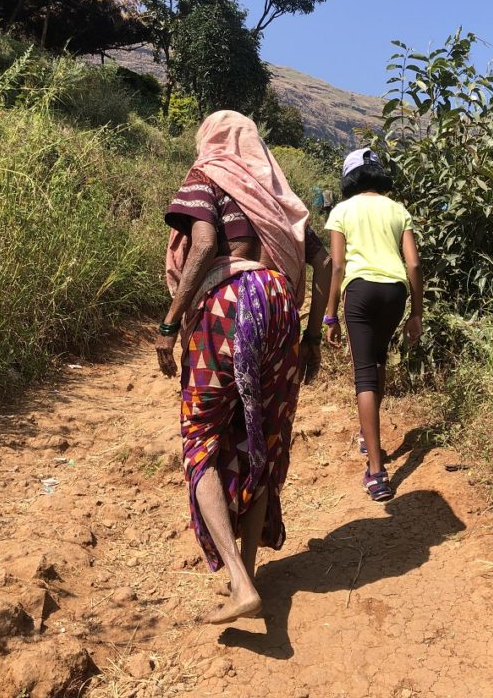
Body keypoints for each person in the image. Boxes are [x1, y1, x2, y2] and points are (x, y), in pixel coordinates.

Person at [155, 110, 332, 624]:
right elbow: (324, 264)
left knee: (201, 438)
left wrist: (169, 325)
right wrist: (313, 333)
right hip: (280, 303)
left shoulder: (207, 176)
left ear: (208, 139)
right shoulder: (277, 198)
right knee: (262, 441)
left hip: (230, 302)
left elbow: (206, 244)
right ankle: (248, 574)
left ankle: (237, 578)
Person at [323, 148, 422, 502]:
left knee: (363, 373)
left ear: (350, 177)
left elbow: (336, 266)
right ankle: (369, 436)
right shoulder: (398, 210)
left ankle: (377, 473)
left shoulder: (341, 210)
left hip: (360, 291)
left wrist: (330, 313)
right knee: (378, 360)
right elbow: (413, 265)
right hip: (395, 293)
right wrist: (416, 313)